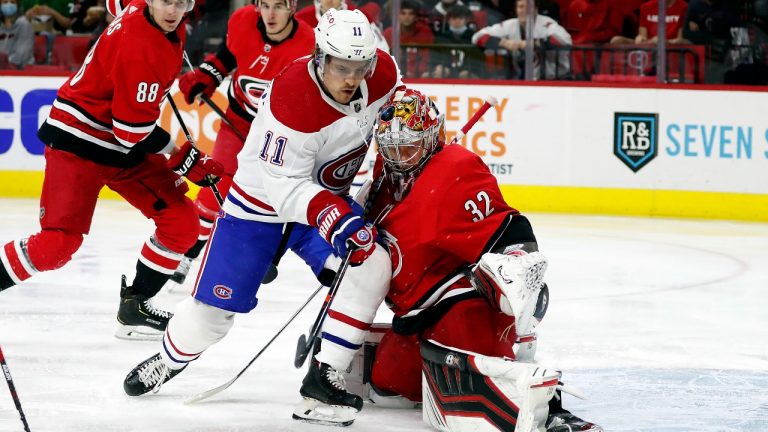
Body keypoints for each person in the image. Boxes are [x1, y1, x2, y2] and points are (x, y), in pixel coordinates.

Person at [122, 8, 403, 427]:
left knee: (369, 263)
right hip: (260, 206)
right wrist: (340, 222)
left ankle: (324, 375)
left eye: (360, 68)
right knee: (209, 316)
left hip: (323, 203)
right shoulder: (293, 96)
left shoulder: (381, 74)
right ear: (320, 58)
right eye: (342, 67)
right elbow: (285, 187)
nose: (352, 79)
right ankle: (169, 357)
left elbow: (395, 116)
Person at [351, 88, 602, 431]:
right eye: (392, 146)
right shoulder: (384, 173)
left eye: (408, 145)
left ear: (431, 138)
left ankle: (550, 409)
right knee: (386, 382)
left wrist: (519, 274)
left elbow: (510, 231)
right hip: (414, 316)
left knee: (487, 374)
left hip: (460, 306)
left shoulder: (456, 170)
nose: (399, 156)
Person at [0, 0, 224, 342]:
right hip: (79, 143)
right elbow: (131, 132)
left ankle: (135, 307)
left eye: (182, 2)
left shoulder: (140, 8)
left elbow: (113, 2)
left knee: (182, 223)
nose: (173, 10)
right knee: (57, 245)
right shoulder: (140, 47)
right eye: (166, 1)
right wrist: (183, 157)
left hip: (120, 146)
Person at [169, 0, 316, 285]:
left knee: (273, 197)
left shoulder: (308, 44)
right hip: (237, 122)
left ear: (292, 8)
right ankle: (189, 253)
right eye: (266, 6)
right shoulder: (242, 21)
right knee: (216, 186)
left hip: (278, 132)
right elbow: (228, 58)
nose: (271, 14)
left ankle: (256, 256)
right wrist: (206, 77)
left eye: (279, 7)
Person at [472, 0, 572, 80]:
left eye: (528, 6)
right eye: (521, 7)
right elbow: (477, 37)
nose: (524, 10)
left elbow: (565, 41)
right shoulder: (510, 24)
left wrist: (533, 44)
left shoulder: (546, 24)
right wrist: (503, 42)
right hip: (522, 79)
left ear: (536, 9)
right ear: (516, 10)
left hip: (555, 79)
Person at [383, 0, 434, 78]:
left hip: (420, 77)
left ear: (416, 16)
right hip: (394, 76)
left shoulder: (425, 32)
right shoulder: (389, 33)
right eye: (403, 13)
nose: (407, 17)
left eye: (411, 14)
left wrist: (420, 73)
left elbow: (427, 58)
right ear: (397, 15)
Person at [430, 4, 483, 79]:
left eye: (460, 18)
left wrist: (466, 70)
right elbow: (435, 58)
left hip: (469, 71)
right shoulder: (441, 37)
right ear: (448, 20)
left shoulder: (474, 37)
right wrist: (440, 66)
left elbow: (478, 61)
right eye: (454, 18)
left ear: (467, 19)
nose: (457, 21)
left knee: (464, 75)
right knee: (440, 71)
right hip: (446, 70)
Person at [611, 0, 690, 45]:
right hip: (648, 47)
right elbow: (642, 35)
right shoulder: (646, 7)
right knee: (616, 40)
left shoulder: (684, 7)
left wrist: (665, 41)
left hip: (671, 47)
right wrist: (640, 38)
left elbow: (680, 39)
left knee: (659, 41)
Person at [0, 0, 34, 68]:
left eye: (12, 2)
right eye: (5, 2)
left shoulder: (24, 24)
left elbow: (21, 57)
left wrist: (5, 62)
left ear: (17, 5)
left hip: (21, 72)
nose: (9, 4)